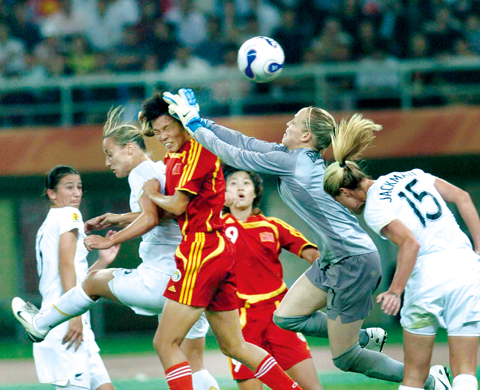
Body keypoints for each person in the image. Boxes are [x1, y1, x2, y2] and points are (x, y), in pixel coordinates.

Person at [162, 88, 451, 390]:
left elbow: (235, 155)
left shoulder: (295, 163)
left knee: (346, 359)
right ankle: (363, 336)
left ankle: (430, 380)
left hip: (353, 260)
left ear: (306, 137)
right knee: (285, 318)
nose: (288, 123)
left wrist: (193, 126)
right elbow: (244, 142)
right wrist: (203, 122)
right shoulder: (291, 156)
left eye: (295, 122)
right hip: (334, 259)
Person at [12, 108, 219, 390]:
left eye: (110, 153)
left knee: (94, 281)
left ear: (130, 149)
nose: (107, 162)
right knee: (193, 363)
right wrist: (117, 217)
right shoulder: (160, 168)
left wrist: (112, 239)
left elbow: (151, 218)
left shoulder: (140, 173)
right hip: (193, 277)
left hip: (163, 278)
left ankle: (42, 323)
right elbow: (164, 213)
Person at [136, 93, 304, 390]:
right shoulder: (175, 153)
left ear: (182, 123)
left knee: (165, 342)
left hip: (200, 250)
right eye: (157, 131)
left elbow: (176, 206)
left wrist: (150, 192)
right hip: (215, 251)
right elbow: (150, 133)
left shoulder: (197, 150)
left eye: (166, 128)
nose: (161, 136)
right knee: (234, 346)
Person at [323, 114, 480, 390]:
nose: (346, 207)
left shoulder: (375, 207)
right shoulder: (412, 174)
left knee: (414, 376)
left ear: (344, 191)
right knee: (465, 372)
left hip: (428, 276)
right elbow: (462, 196)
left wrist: (395, 290)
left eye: (340, 202)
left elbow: (410, 243)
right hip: (465, 266)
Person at [12, 165, 118, 390]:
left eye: (79, 187)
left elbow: (72, 274)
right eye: (69, 187)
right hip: (66, 321)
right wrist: (73, 315)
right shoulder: (70, 214)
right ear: (51, 193)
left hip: (66, 319)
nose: (76, 193)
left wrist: (102, 262)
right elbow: (65, 266)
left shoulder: (49, 222)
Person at [222, 166, 322, 390]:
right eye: (233, 182)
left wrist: (323, 287)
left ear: (256, 192)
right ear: (222, 191)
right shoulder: (215, 228)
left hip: (280, 315)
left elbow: (313, 255)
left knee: (313, 388)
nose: (240, 187)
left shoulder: (273, 226)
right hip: (240, 321)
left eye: (246, 183)